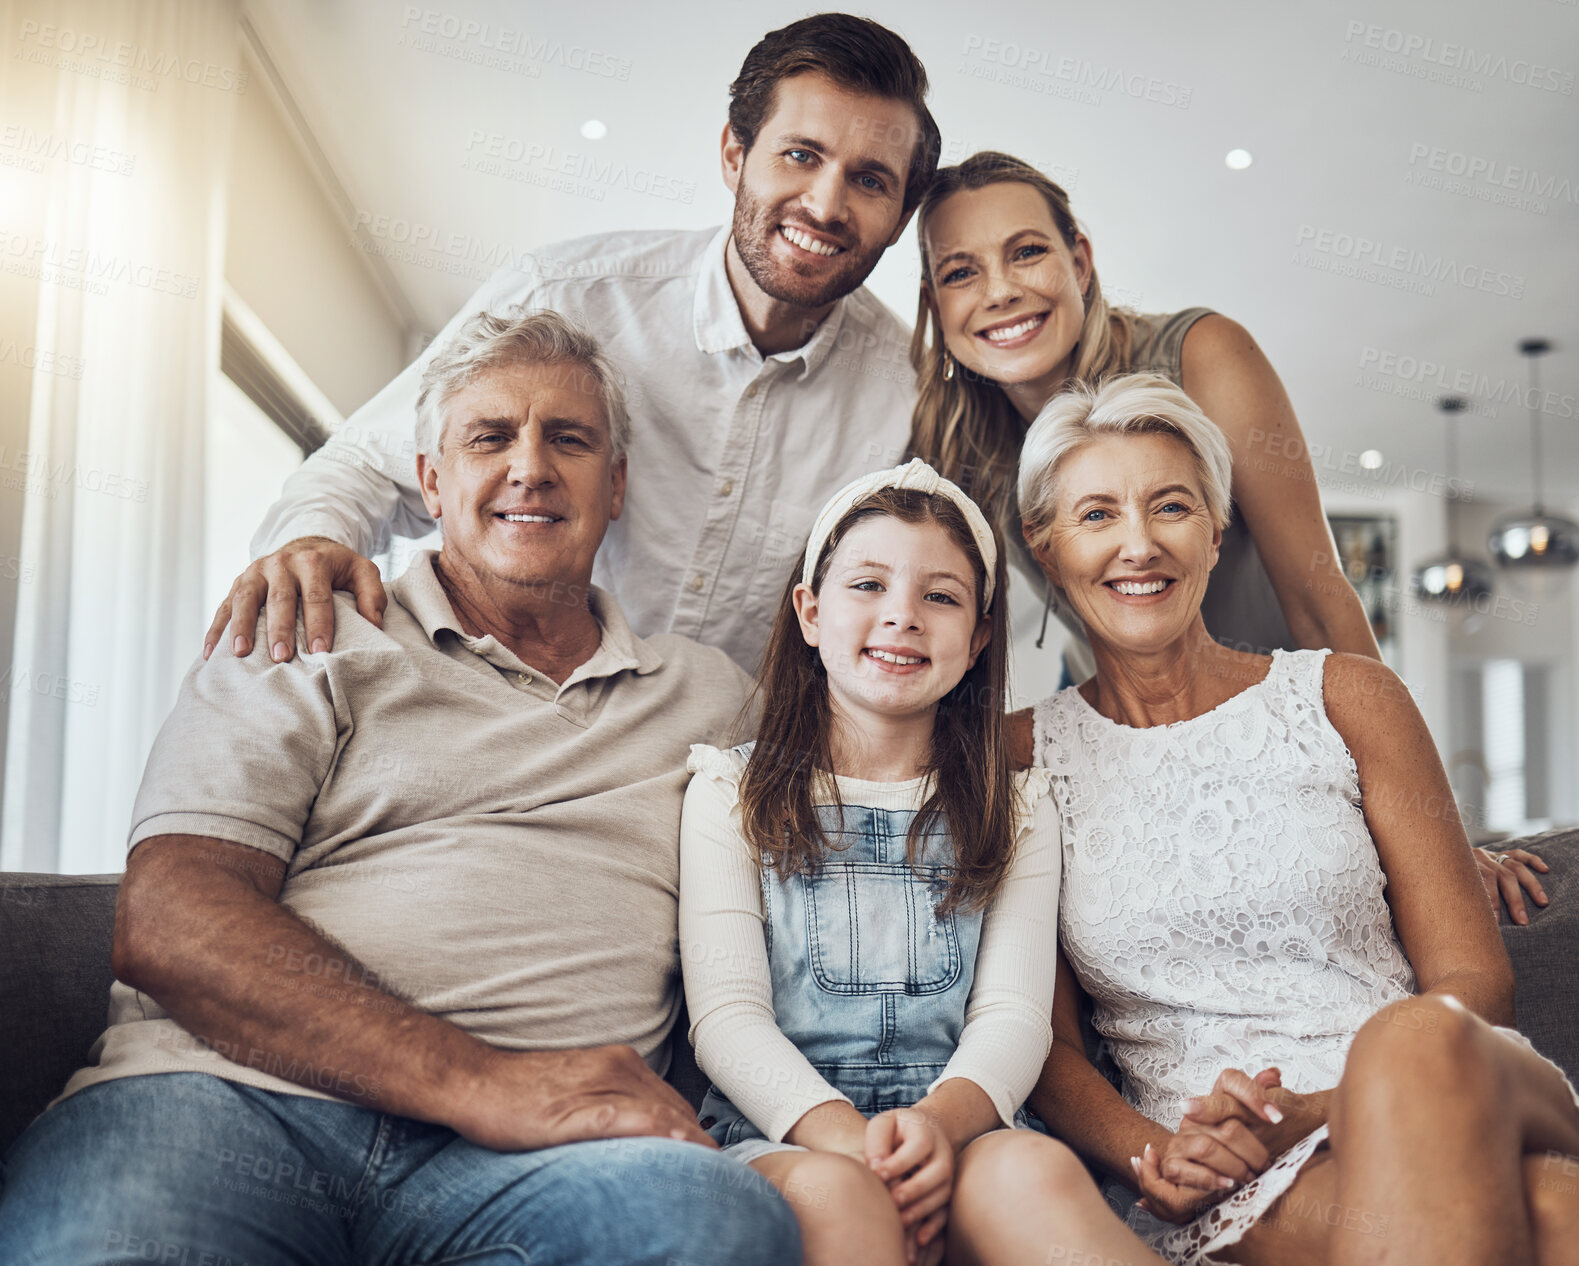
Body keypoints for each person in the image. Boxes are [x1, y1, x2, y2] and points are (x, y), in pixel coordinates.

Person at [0, 309, 801, 1266]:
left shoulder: (712, 695)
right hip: (223, 1101)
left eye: (571, 440)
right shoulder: (309, 628)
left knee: (713, 1225)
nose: (530, 467)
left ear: (616, 484)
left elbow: (885, 769)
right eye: (489, 436)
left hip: (541, 1169)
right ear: (429, 481)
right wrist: (481, 1081)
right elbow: (170, 917)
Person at [1005, 373, 1579, 1266]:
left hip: (1452, 1078)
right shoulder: (1017, 758)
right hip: (1231, 1167)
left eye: (1170, 506)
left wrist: (1319, 1108)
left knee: (1413, 1036)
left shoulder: (1347, 696)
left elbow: (1472, 978)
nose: (1139, 544)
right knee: (1551, 1214)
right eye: (1095, 515)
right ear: (1045, 548)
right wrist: (1149, 1153)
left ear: (1215, 530)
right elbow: (1043, 1044)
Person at [907, 148, 1548, 918]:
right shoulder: (956, 446)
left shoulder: (1201, 355)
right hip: (1134, 746)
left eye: (1027, 251)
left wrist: (1434, 838)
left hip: (1289, 732)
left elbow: (1317, 593)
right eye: (960, 272)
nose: (1000, 291)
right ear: (934, 302)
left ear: (1079, 259)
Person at [204, 12, 939, 677]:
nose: (824, 204)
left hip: (720, 774)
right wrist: (307, 543)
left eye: (868, 179)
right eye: (800, 156)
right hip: (500, 707)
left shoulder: (907, 397)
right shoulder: (562, 294)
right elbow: (371, 464)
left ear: (900, 215)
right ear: (733, 155)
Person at [679, 459, 1070, 1266]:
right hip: (784, 1130)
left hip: (961, 1118)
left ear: (979, 638)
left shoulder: (1020, 806)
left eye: (940, 596)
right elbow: (727, 1021)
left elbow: (1014, 1016)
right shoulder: (729, 792)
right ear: (810, 612)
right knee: (840, 1197)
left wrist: (937, 1127)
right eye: (867, 586)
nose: (902, 617)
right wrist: (851, 1146)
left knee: (1033, 1173)